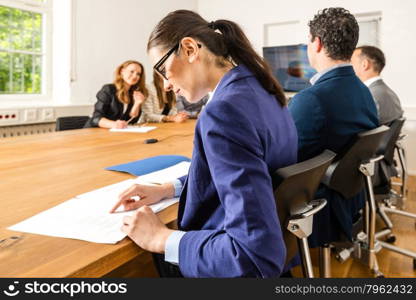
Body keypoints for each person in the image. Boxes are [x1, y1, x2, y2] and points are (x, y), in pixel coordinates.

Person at [110, 10, 298, 277]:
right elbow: (248, 173)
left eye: (163, 70)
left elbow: (253, 255)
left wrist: (161, 238)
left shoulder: (223, 112)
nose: (165, 85)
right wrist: (168, 188)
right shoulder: (263, 90)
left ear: (189, 49)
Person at [288, 8, 379, 247]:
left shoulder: (310, 100)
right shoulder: (364, 92)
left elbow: (285, 161)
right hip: (351, 197)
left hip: (318, 205)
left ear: (316, 43)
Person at [84, 60, 148, 129]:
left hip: (114, 133)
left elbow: (131, 121)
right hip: (94, 131)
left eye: (138, 74)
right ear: (122, 71)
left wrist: (137, 104)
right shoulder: (108, 89)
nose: (135, 76)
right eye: (132, 71)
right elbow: (96, 118)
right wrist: (114, 124)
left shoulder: (133, 93)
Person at [351, 45, 403, 125]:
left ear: (365, 64)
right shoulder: (390, 93)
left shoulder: (370, 95)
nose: (349, 66)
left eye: (351, 62)